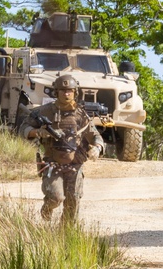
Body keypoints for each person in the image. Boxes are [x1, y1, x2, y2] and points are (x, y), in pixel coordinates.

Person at [21, 74, 104, 224]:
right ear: (56, 92)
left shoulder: (81, 114)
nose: (67, 94)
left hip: (75, 166)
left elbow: (95, 135)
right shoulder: (44, 111)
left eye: (70, 91)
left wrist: (97, 148)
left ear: (75, 92)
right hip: (53, 165)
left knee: (73, 201)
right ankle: (47, 208)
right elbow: (23, 129)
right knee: (55, 197)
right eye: (63, 91)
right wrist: (39, 132)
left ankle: (66, 235)